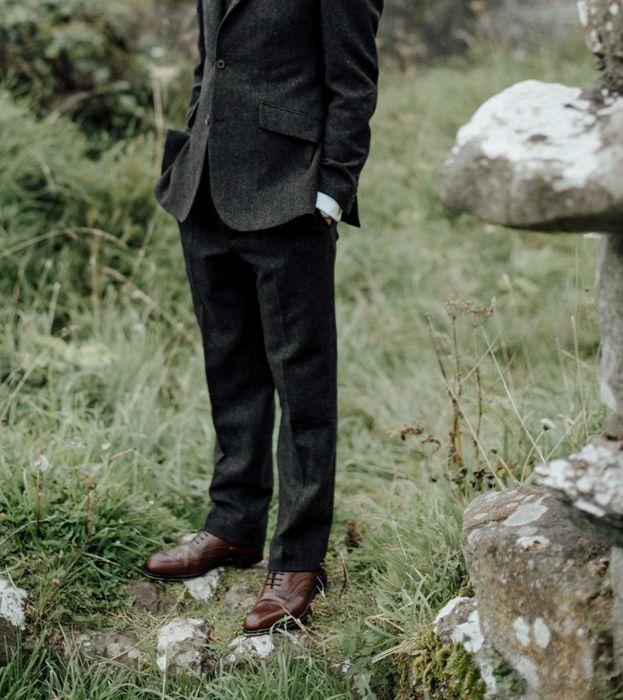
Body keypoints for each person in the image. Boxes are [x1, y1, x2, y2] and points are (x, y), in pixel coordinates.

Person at [145, 0, 384, 636]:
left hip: (290, 197)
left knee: (302, 384)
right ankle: (233, 525)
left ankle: (299, 558)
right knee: (230, 367)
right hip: (202, 191)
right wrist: (191, 146)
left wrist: (332, 191)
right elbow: (209, 62)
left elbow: (354, 82)